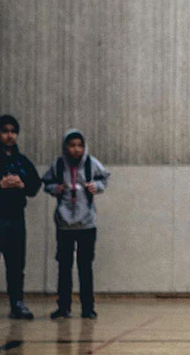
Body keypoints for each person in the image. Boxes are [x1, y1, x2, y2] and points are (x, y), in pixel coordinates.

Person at [42, 129, 110, 319]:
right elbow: (45, 182)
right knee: (64, 266)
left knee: (85, 266)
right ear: (66, 147)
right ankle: (63, 307)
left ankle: (87, 307)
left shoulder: (91, 163)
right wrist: (55, 188)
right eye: (72, 145)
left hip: (86, 224)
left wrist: (96, 187)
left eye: (79, 145)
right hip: (64, 224)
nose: (76, 149)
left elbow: (105, 177)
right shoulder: (58, 165)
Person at [0, 115, 42, 319]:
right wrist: (0, 185)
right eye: (5, 131)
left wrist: (23, 184)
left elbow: (35, 184)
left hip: (16, 218)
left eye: (13, 131)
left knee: (16, 264)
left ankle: (17, 303)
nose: (10, 135)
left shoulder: (21, 160)